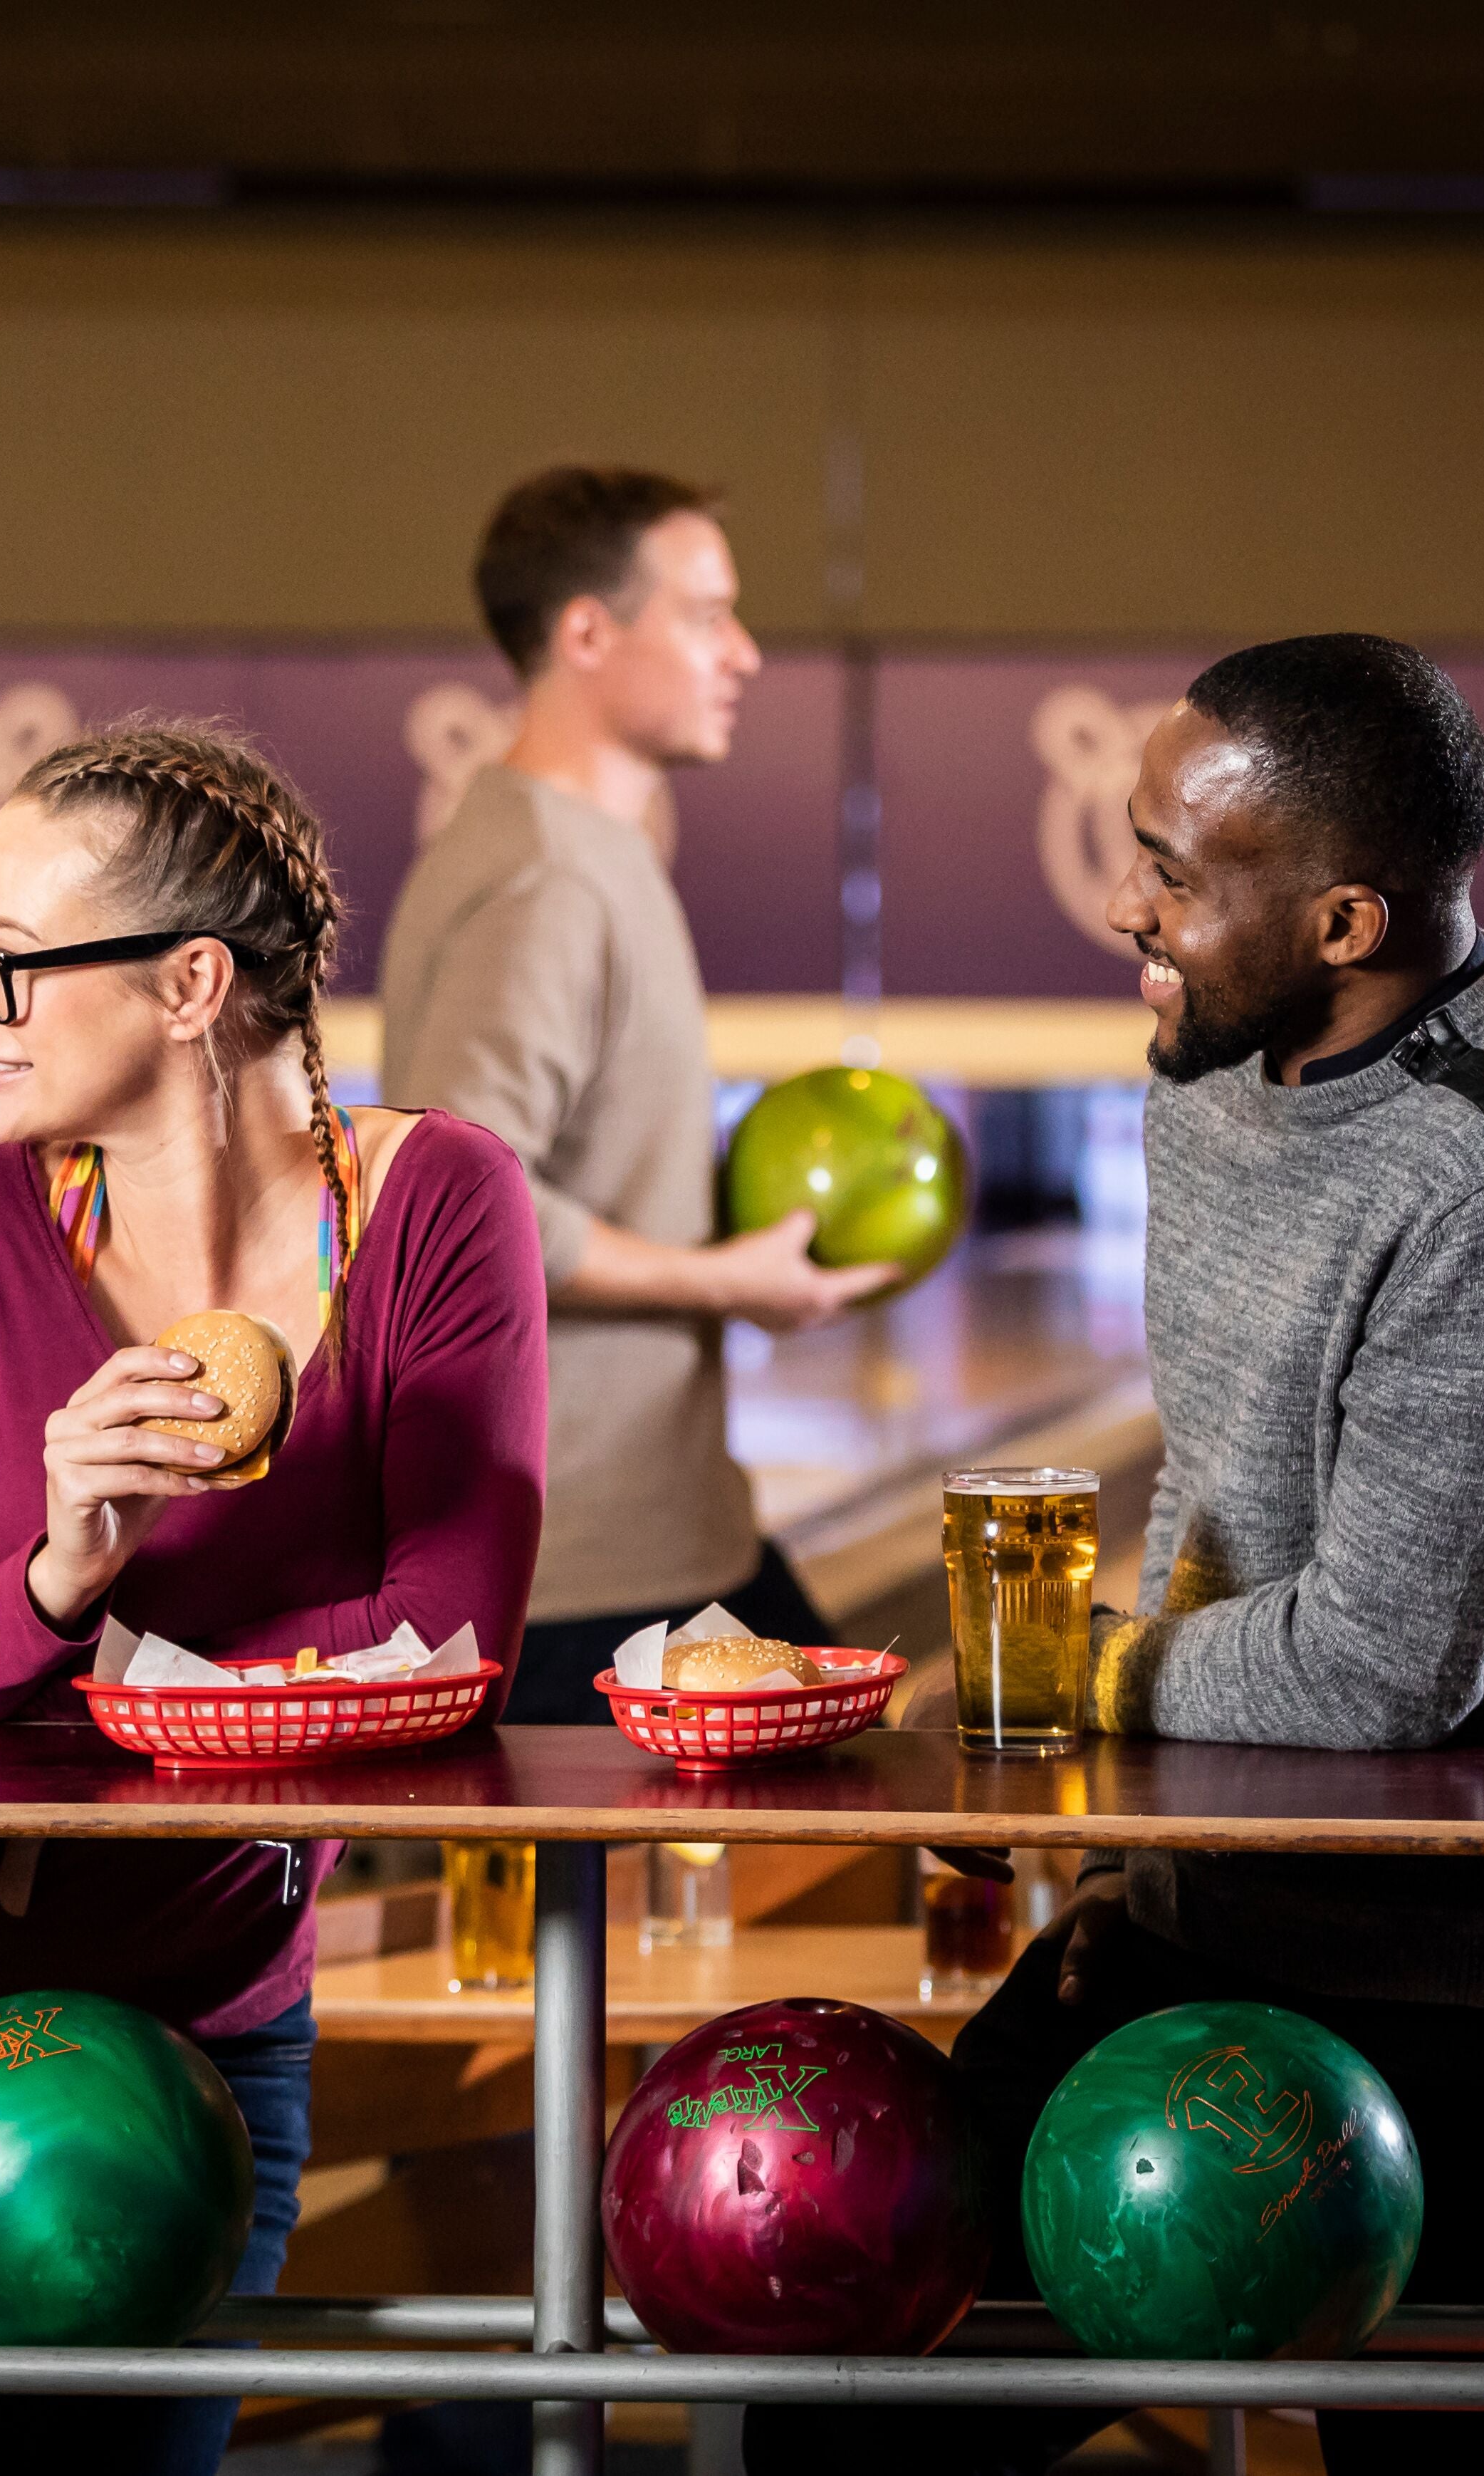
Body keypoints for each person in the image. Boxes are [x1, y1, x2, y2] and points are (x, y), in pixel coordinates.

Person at [753, 637, 1484, 2476]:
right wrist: (1101, 1806)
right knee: (843, 2413)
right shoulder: (1209, 1066)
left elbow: (1372, 1670)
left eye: (1174, 875)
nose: (1128, 909)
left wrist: (1058, 1690)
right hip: (1209, 1923)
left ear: (1343, 918)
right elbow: (1215, 1500)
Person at [0, 720, 545, 2476]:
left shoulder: (441, 1209)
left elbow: (449, 1647)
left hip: (199, 2004)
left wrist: (75, 1772)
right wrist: (69, 1558)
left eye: (3, 965)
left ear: (187, 983)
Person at [376, 465, 884, 1724]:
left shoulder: (590, 850)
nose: (747, 653)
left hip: (651, 1523)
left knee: (916, 1796)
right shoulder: (549, 882)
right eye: (708, 614)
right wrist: (733, 1281)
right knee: (913, 1804)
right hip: (579, 1562)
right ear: (589, 633)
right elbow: (455, 1211)